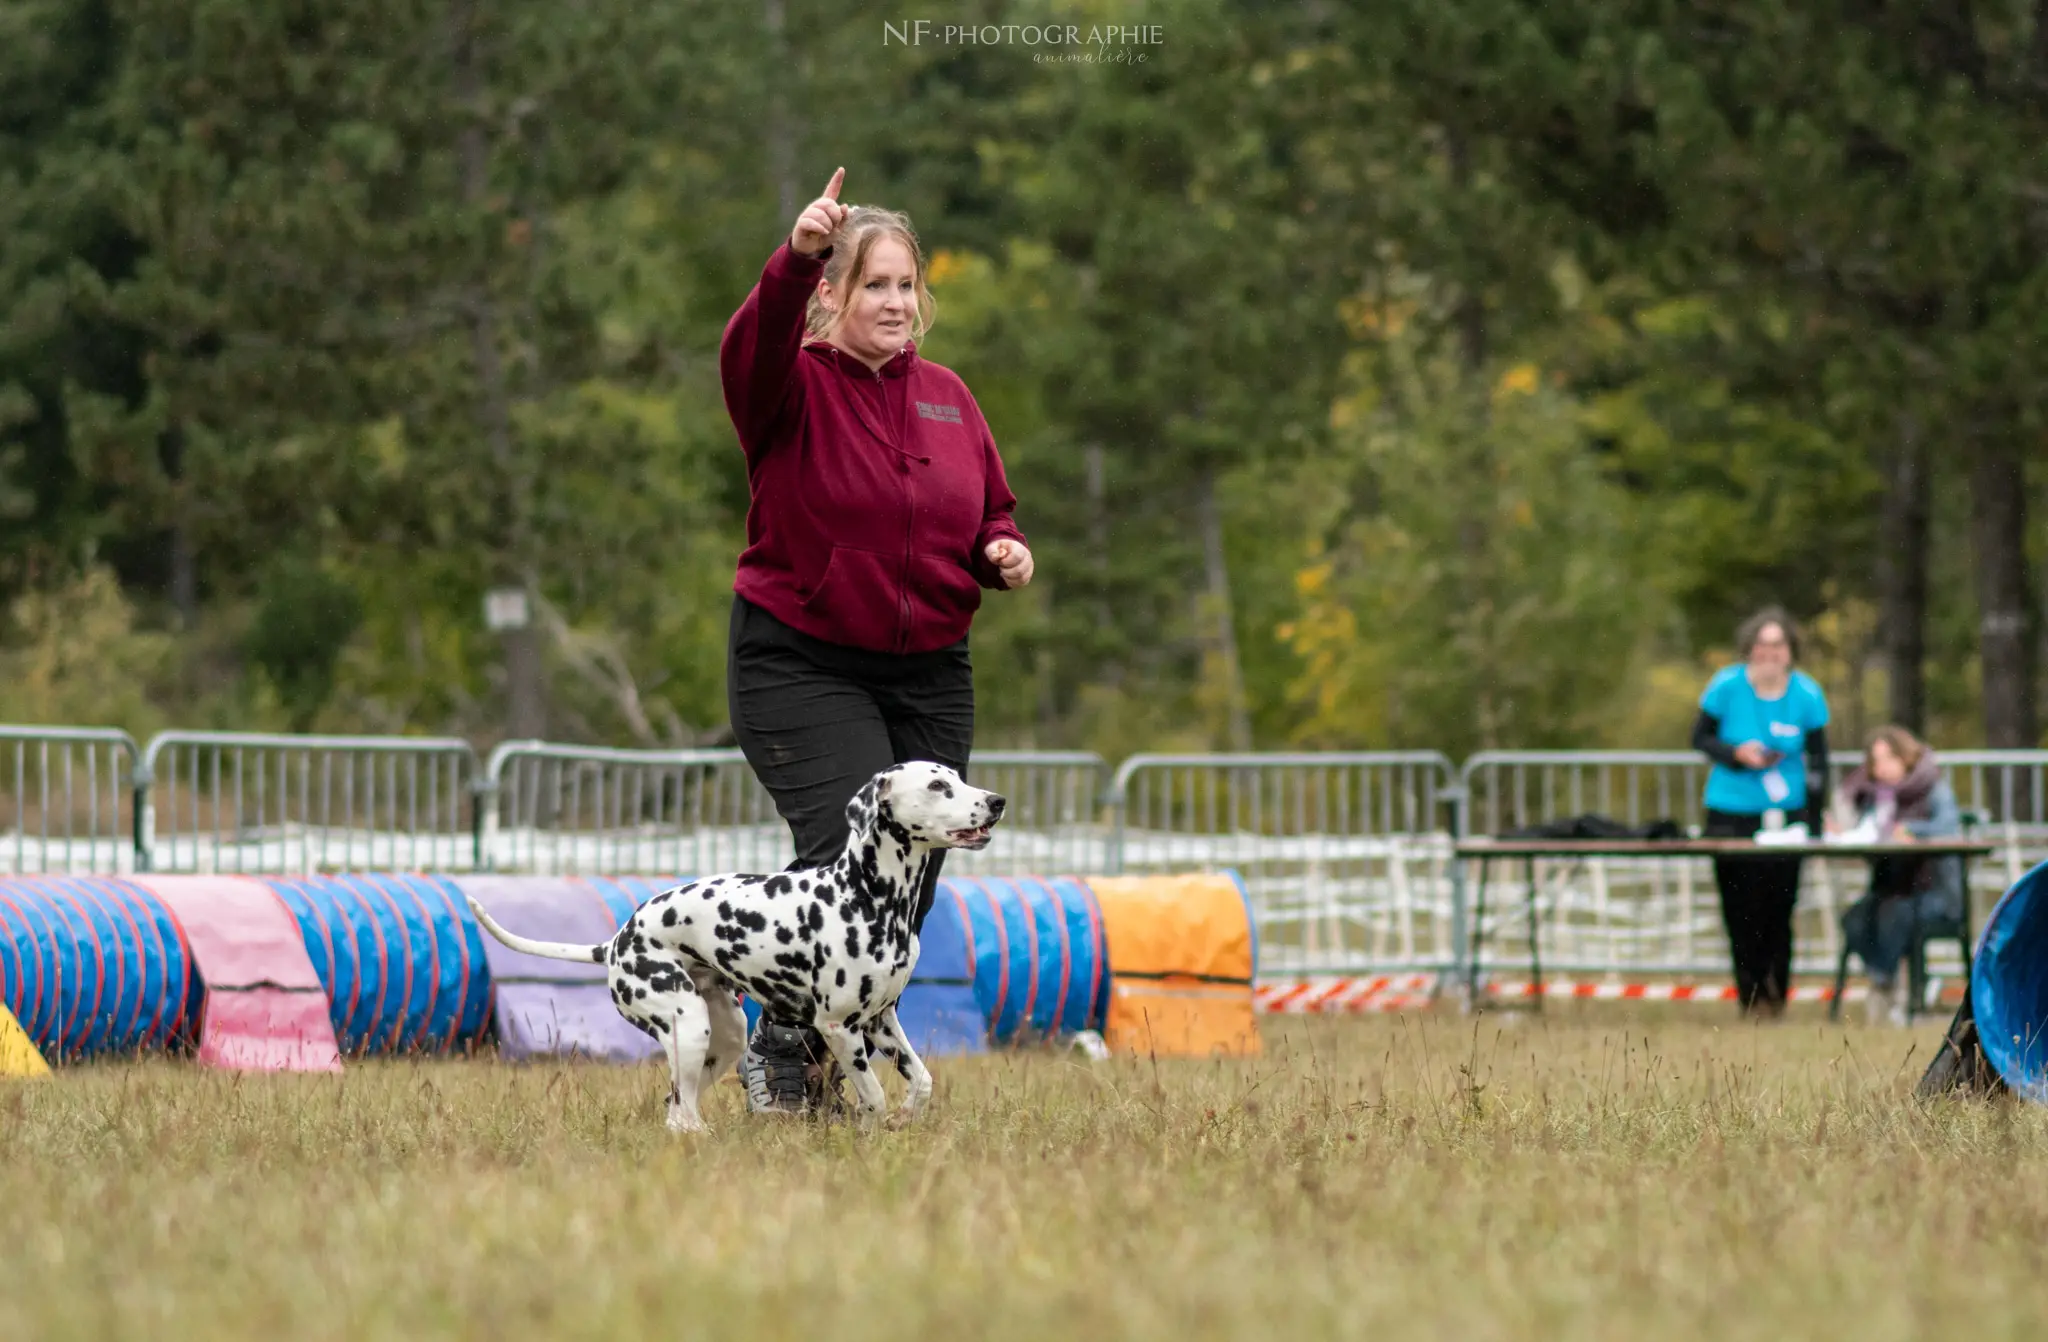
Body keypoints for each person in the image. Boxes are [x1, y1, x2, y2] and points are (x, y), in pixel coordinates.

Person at [719, 167, 1033, 1116]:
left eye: (906, 285)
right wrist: (794, 256)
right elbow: (749, 347)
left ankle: (827, 1055)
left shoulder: (948, 397)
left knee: (909, 883)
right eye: (874, 286)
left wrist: (998, 547)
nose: (895, 303)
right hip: (801, 658)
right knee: (838, 858)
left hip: (929, 671)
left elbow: (987, 507)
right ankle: (784, 1060)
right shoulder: (788, 387)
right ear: (833, 298)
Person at [1690, 607, 1831, 1017]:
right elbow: (1699, 737)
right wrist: (1736, 754)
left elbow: (1820, 760)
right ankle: (1748, 997)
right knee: (1739, 906)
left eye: (1779, 644)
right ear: (1750, 648)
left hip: (1787, 813)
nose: (1770, 652)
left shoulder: (1806, 694)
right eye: (1763, 644)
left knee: (1780, 906)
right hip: (1731, 809)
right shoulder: (1726, 686)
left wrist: (1816, 818)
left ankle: (1776, 997)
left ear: (1790, 650)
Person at [1832, 726, 1963, 1026]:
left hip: (1936, 892)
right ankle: (1890, 982)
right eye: (1876, 761)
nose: (1883, 767)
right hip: (1891, 888)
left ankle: (1890, 988)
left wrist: (1911, 832)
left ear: (1906, 756)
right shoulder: (1872, 797)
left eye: (1889, 757)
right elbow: (1868, 836)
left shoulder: (1934, 789)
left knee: (1895, 913)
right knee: (1854, 918)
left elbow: (1948, 830)